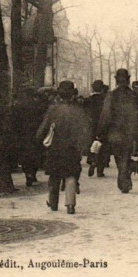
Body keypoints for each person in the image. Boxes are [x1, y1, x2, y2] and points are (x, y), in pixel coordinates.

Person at [36, 80, 91, 214]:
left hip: (56, 147)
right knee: (71, 174)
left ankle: (53, 203)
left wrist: (39, 139)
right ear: (72, 93)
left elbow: (44, 127)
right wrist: (84, 145)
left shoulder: (53, 109)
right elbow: (86, 129)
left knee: (54, 175)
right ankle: (70, 204)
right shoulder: (78, 109)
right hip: (72, 147)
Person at [95, 68, 138, 194]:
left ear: (116, 79)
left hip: (115, 132)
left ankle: (123, 179)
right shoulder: (135, 96)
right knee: (126, 154)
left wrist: (100, 133)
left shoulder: (111, 96)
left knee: (119, 157)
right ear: (128, 79)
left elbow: (105, 116)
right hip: (131, 132)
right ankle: (125, 178)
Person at [84, 80, 107, 177]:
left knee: (91, 144)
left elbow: (84, 113)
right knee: (103, 146)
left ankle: (92, 160)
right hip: (102, 125)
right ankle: (100, 170)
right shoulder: (105, 100)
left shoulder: (88, 100)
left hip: (91, 125)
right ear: (102, 88)